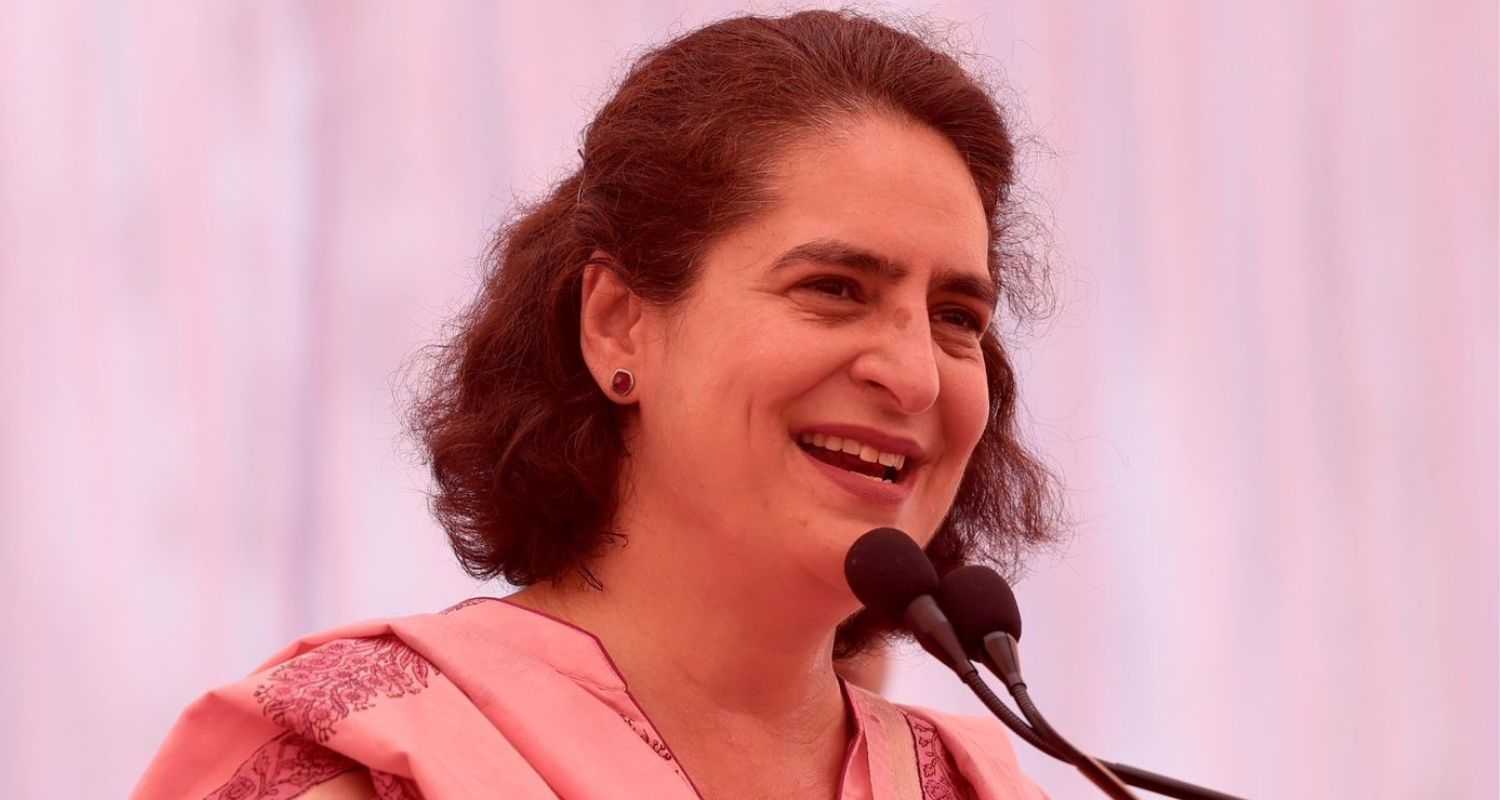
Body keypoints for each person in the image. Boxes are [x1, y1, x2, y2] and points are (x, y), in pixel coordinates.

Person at [133, 9, 1063, 799]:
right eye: (834, 288)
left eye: (955, 316)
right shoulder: (371, 765)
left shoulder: (980, 782)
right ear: (619, 325)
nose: (915, 376)